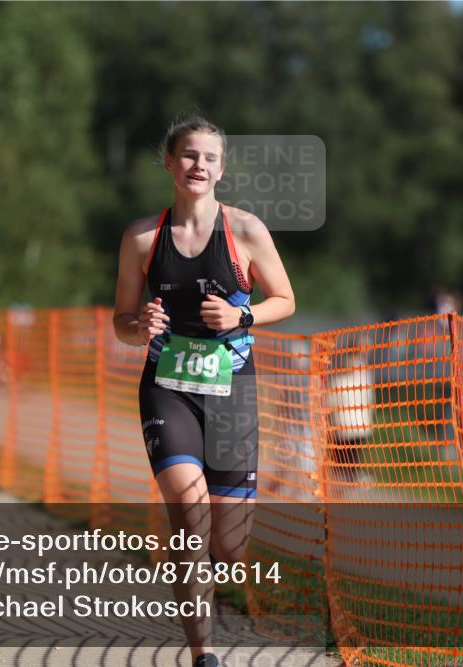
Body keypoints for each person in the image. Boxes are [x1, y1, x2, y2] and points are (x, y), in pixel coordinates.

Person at [113, 117, 295, 667]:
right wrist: (137, 324)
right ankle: (204, 655)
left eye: (209, 158)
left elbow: (285, 299)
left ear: (221, 168)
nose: (199, 166)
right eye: (188, 156)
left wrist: (241, 313)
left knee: (229, 548)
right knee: (188, 513)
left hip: (232, 392)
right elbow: (120, 320)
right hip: (168, 390)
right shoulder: (143, 237)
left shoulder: (244, 231)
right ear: (169, 163)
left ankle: (210, 574)